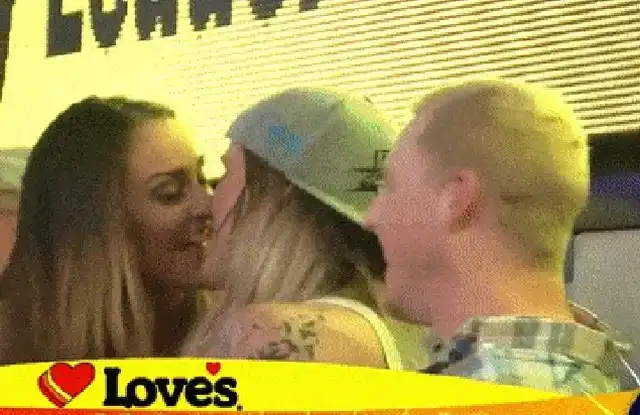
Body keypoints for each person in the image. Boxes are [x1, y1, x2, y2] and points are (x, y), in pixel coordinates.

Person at [364, 78, 633, 393]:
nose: (371, 217)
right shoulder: (599, 380)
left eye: (390, 187)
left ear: (455, 198)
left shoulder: (480, 398)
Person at [182, 88, 431, 370]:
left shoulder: (264, 333)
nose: (206, 204)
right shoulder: (402, 331)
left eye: (224, 175)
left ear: (276, 194)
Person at [0, 96, 215, 364]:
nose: (209, 205)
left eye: (202, 179)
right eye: (170, 192)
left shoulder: (237, 334)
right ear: (95, 227)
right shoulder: (13, 350)